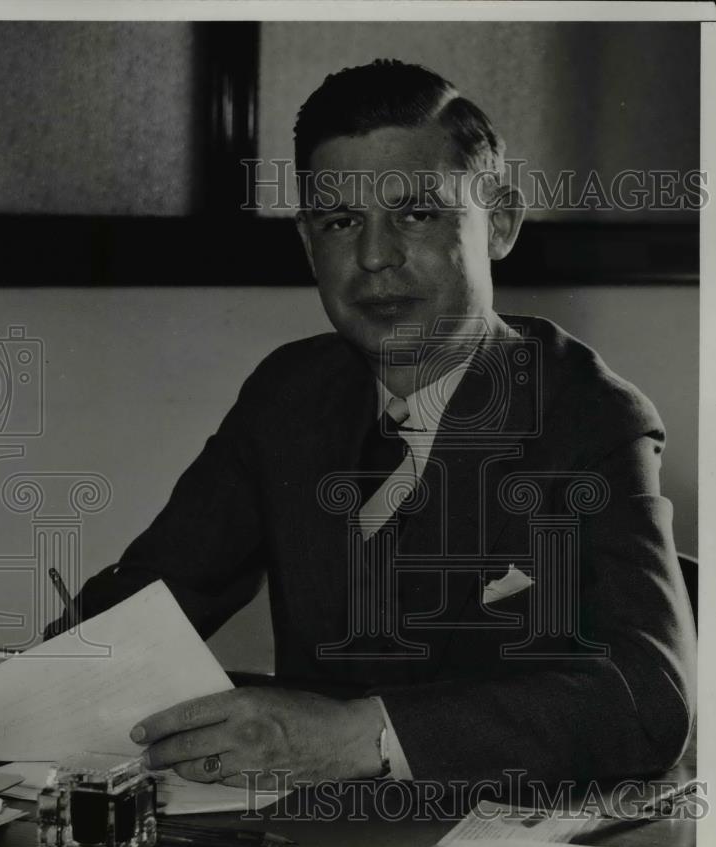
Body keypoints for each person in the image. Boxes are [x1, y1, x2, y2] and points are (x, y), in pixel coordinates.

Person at [45, 60, 695, 794]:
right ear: (306, 242)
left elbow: (651, 701)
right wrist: (30, 694)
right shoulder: (290, 394)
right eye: (340, 221)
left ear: (501, 223)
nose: (374, 258)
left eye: (416, 214)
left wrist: (362, 735)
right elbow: (145, 604)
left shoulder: (586, 414)